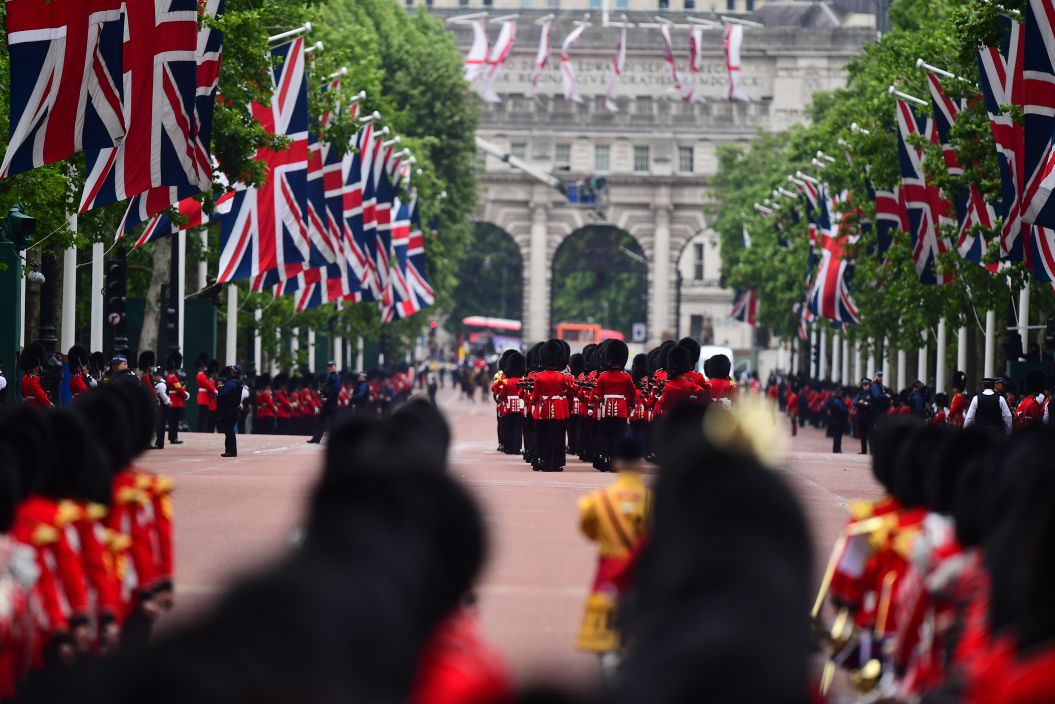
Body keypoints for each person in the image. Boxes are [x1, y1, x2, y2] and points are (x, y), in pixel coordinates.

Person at [576, 433, 652, 684]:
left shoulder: (598, 500)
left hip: (608, 577)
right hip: (641, 577)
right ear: (640, 463)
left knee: (606, 642)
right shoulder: (652, 501)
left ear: (617, 462)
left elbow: (589, 532)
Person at [592, 340, 636, 472]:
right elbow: (632, 394)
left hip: (606, 410)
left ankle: (605, 460)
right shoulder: (626, 377)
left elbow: (598, 394)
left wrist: (596, 407)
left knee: (606, 436)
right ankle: (616, 463)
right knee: (619, 436)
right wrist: (630, 405)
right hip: (621, 410)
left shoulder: (603, 376)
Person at [309, 361, 341, 444]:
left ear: (335, 366)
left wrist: (327, 398)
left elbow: (335, 390)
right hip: (327, 403)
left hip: (332, 402)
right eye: (328, 366)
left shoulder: (336, 377)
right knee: (321, 421)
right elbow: (327, 387)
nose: (329, 367)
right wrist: (321, 391)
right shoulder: (330, 376)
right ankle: (316, 438)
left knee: (333, 422)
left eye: (331, 366)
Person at [217, 366, 242, 457]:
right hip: (234, 409)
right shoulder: (238, 383)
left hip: (229, 409)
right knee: (229, 430)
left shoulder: (231, 383)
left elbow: (223, 396)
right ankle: (230, 450)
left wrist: (220, 391)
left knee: (229, 430)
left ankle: (231, 451)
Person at [18, 342, 52, 408]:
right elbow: (42, 398)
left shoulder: (25, 377)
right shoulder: (33, 379)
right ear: (36, 366)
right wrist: (50, 405)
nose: (41, 368)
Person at [164, 353, 189, 444]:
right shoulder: (174, 378)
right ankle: (174, 438)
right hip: (176, 401)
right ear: (173, 368)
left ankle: (172, 437)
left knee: (172, 421)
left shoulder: (169, 377)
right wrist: (186, 395)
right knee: (175, 421)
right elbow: (179, 389)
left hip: (173, 400)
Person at [195, 353, 217, 433]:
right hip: (203, 397)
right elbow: (207, 384)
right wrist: (215, 390)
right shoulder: (201, 375)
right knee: (202, 416)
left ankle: (201, 430)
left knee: (203, 416)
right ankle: (201, 431)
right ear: (201, 366)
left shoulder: (202, 375)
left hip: (204, 397)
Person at [152, 365, 172, 449]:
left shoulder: (160, 385)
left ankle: (159, 443)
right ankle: (159, 442)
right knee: (160, 425)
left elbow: (163, 396)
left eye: (155, 375)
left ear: (159, 375)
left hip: (161, 407)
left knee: (160, 425)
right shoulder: (161, 383)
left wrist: (168, 401)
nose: (154, 377)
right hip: (162, 407)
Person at [826, 386, 849, 453]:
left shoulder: (832, 400)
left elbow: (827, 407)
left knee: (838, 436)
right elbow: (843, 409)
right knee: (837, 436)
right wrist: (846, 411)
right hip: (838, 420)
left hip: (835, 420)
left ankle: (836, 448)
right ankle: (837, 449)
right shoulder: (837, 401)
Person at [853, 377, 874, 454]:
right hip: (861, 416)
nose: (865, 386)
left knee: (870, 435)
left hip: (870, 416)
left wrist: (867, 404)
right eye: (864, 385)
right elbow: (854, 402)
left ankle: (872, 450)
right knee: (863, 435)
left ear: (869, 385)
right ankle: (863, 450)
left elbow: (874, 404)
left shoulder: (872, 393)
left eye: (866, 385)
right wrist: (859, 402)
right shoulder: (860, 393)